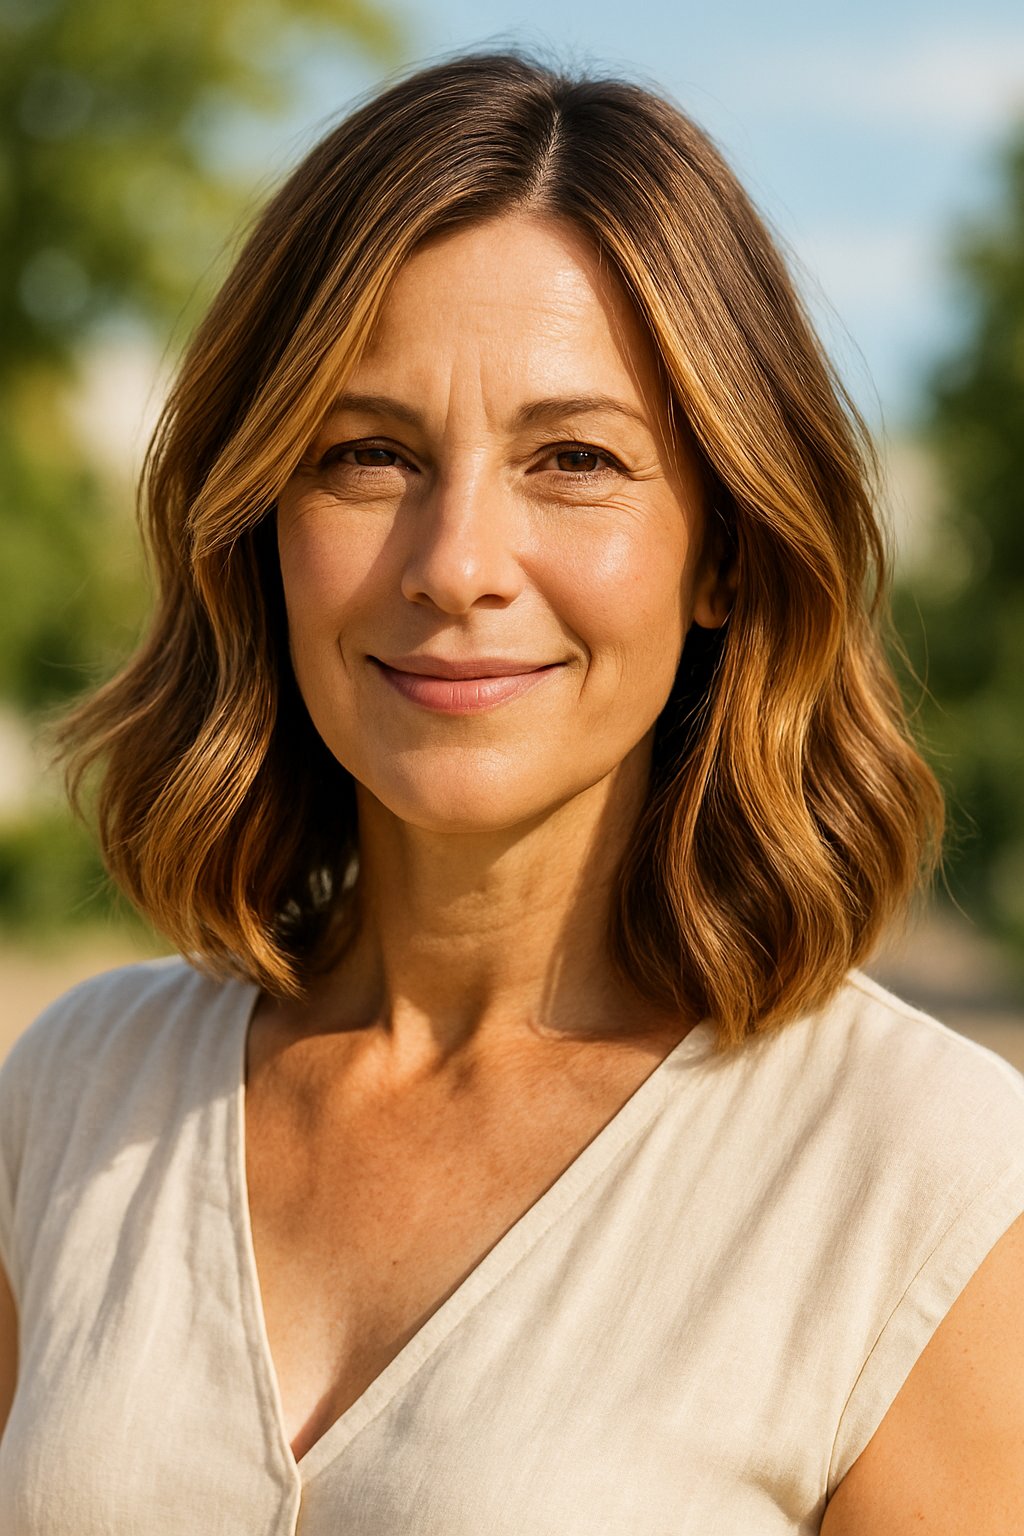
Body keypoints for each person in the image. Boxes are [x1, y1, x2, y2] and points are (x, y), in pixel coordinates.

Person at [0, 48, 1022, 1534]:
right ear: (260, 527)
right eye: (366, 455)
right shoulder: (77, 1094)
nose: (457, 562)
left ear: (727, 549)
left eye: (575, 459)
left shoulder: (921, 1180)